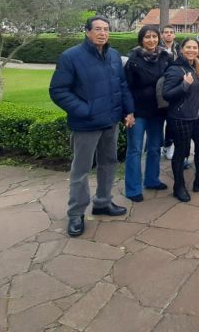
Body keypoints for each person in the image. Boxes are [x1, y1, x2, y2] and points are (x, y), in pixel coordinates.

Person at [49, 15, 135, 237]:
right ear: (87, 31)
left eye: (106, 29)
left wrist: (127, 110)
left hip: (110, 121)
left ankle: (103, 202)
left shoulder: (114, 56)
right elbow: (58, 91)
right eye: (98, 29)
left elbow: (122, 85)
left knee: (109, 163)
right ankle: (76, 213)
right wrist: (85, 111)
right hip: (86, 125)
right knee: (81, 170)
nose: (103, 33)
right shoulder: (71, 57)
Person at [162, 37, 199, 201]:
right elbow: (167, 94)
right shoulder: (175, 69)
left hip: (198, 116)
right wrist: (184, 85)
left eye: (195, 47)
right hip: (180, 118)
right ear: (181, 49)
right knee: (181, 152)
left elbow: (198, 90)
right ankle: (179, 186)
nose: (192, 50)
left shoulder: (197, 67)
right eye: (189, 47)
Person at [123, 25, 171, 202]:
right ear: (141, 40)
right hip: (137, 111)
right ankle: (133, 188)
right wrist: (128, 111)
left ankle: (152, 179)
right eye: (147, 37)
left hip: (157, 111)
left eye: (154, 36)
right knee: (135, 150)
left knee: (154, 148)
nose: (151, 40)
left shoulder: (165, 57)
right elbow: (126, 87)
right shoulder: (133, 60)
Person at [160, 25, 179, 161]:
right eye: (166, 32)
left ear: (174, 35)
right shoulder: (157, 49)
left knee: (171, 122)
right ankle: (160, 146)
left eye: (171, 32)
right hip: (160, 87)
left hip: (175, 88)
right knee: (158, 121)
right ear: (162, 35)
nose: (168, 35)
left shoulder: (178, 49)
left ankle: (168, 145)